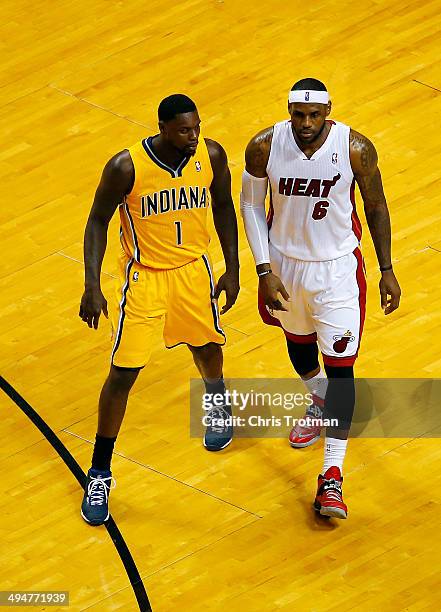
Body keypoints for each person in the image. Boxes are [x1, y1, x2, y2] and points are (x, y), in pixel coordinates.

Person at [241, 78, 401, 519]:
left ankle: (331, 477)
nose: (307, 123)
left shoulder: (355, 148)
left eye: (315, 115)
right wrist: (263, 269)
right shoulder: (263, 146)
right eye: (299, 115)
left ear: (329, 110)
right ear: (288, 111)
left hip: (337, 272)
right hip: (285, 265)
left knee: (342, 367)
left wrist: (386, 268)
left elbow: (377, 205)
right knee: (298, 346)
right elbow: (251, 206)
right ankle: (318, 399)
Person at [79, 94, 239, 526]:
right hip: (144, 277)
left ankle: (218, 403)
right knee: (123, 374)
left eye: (197, 127)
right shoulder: (126, 167)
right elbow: (97, 220)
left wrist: (234, 266)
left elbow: (223, 205)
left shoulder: (211, 155)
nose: (194, 136)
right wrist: (92, 286)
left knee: (207, 347)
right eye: (185, 130)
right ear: (163, 128)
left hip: (193, 270)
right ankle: (100, 471)